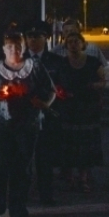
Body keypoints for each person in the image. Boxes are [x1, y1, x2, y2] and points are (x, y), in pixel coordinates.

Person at [0, 28, 55, 217]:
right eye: (10, 46)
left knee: (22, 167)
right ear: (4, 48)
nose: (14, 49)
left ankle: (18, 209)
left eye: (18, 46)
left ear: (23, 48)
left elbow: (50, 90)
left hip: (27, 124)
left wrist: (44, 103)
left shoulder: (35, 67)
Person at [54, 32, 105, 192]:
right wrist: (60, 92)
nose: (73, 45)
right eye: (70, 42)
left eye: (76, 42)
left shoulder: (92, 62)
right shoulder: (62, 63)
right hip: (68, 107)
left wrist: (95, 86)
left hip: (87, 107)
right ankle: (68, 175)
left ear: (83, 44)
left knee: (86, 143)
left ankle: (83, 177)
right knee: (68, 142)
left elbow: (102, 80)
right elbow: (55, 83)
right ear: (66, 45)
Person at [23, 21, 64, 204]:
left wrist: (47, 102)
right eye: (30, 37)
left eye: (37, 36)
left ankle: (46, 195)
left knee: (45, 158)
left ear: (45, 38)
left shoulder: (56, 61)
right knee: (22, 159)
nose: (33, 40)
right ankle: (21, 195)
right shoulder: (17, 60)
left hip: (47, 114)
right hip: (23, 115)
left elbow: (61, 86)